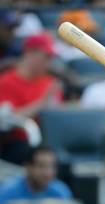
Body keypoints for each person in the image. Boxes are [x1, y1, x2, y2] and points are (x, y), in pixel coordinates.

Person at [0, 33, 62, 164]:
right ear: (30, 53)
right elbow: (6, 120)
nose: (49, 62)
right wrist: (41, 103)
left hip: (49, 142)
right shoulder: (6, 82)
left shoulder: (49, 82)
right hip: (18, 143)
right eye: (46, 57)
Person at [0, 145, 72, 204]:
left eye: (52, 166)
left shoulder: (61, 191)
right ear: (27, 167)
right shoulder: (8, 191)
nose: (47, 173)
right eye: (41, 166)